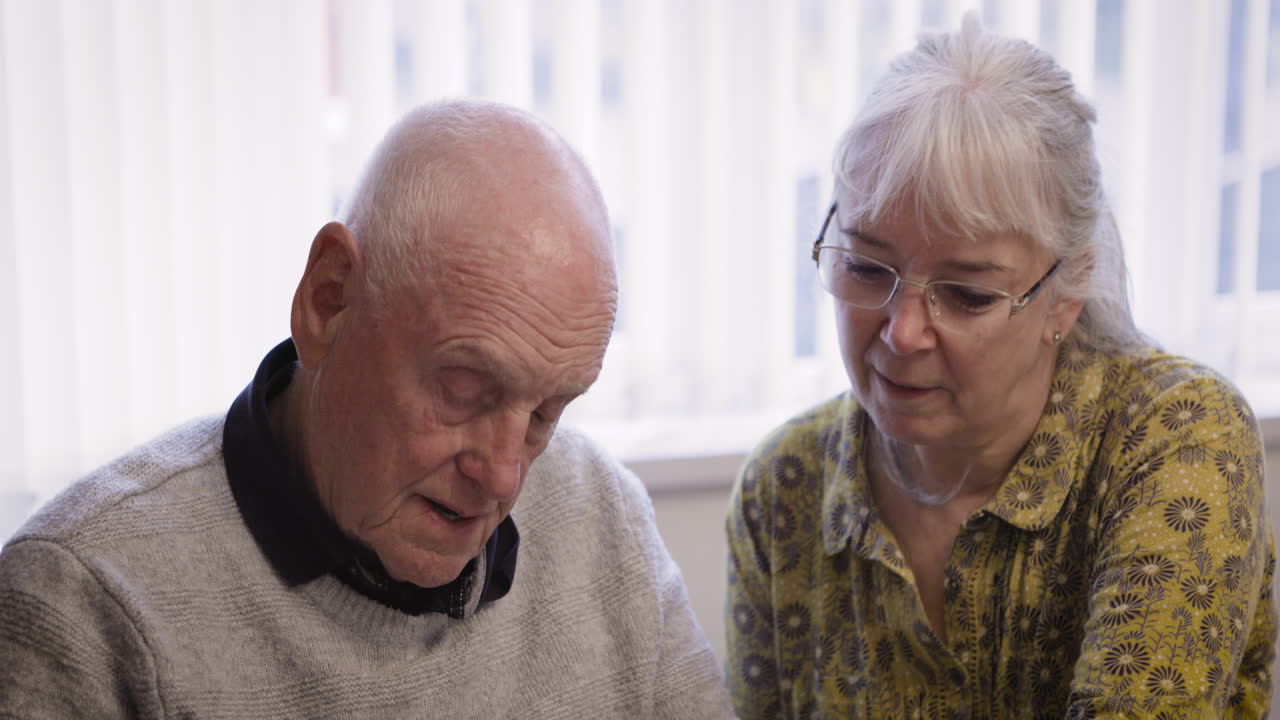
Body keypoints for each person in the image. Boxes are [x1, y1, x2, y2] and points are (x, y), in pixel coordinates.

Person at [0, 100, 734, 718]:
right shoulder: (82, 604)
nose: (505, 478)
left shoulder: (603, 515)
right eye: (465, 390)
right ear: (329, 300)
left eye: (547, 412)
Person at [725, 13, 1275, 719]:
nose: (902, 331)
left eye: (967, 295)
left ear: (1066, 295)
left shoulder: (1174, 438)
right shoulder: (784, 488)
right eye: (865, 267)